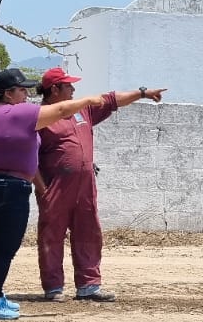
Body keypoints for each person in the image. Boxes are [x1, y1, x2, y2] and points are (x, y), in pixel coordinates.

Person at [0, 67, 108, 320]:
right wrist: (88, 100)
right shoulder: (20, 112)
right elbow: (62, 111)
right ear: (9, 93)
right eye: (22, 90)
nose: (26, 94)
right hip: (12, 187)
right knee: (5, 248)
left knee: (0, 245)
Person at [34, 67, 166, 302]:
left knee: (88, 232)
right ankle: (53, 288)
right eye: (68, 85)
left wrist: (143, 93)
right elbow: (28, 156)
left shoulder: (82, 110)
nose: (73, 89)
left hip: (84, 187)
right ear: (54, 89)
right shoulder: (40, 116)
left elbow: (112, 99)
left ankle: (88, 286)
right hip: (56, 188)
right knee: (51, 236)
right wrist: (42, 188)